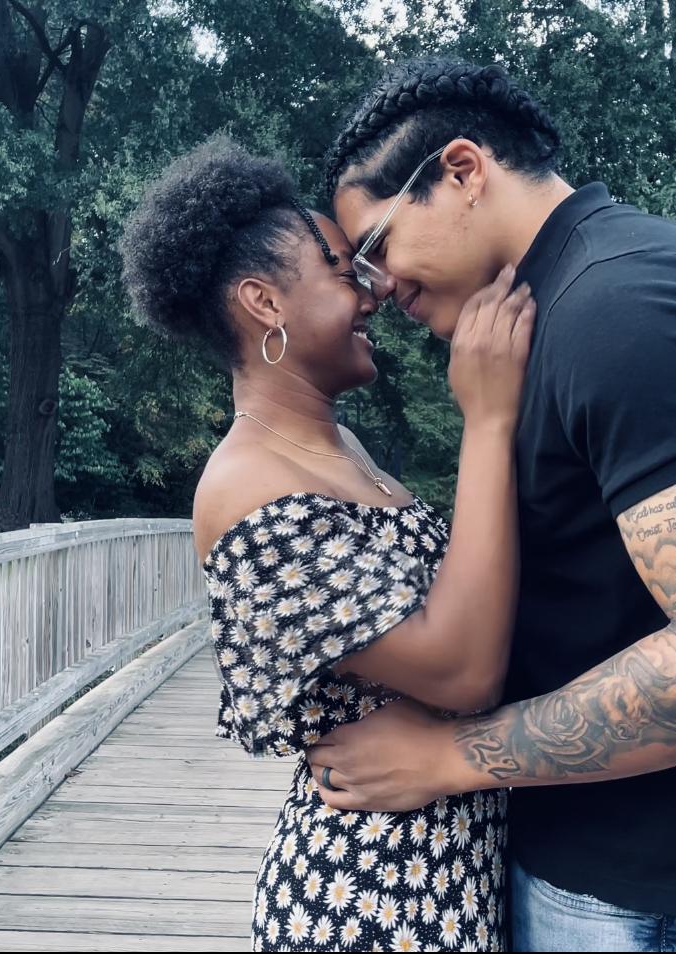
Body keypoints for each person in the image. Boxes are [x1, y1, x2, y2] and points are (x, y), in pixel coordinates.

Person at [306, 58, 676, 952]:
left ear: (462, 170)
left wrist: (451, 759)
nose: (376, 287)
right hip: (623, 873)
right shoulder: (556, 306)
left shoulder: (629, 308)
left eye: (376, 245)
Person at [119, 133, 536, 951]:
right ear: (264, 302)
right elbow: (461, 670)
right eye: (344, 271)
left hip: (441, 879)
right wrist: (487, 420)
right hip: (371, 901)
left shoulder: (341, 450)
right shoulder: (245, 485)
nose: (374, 289)